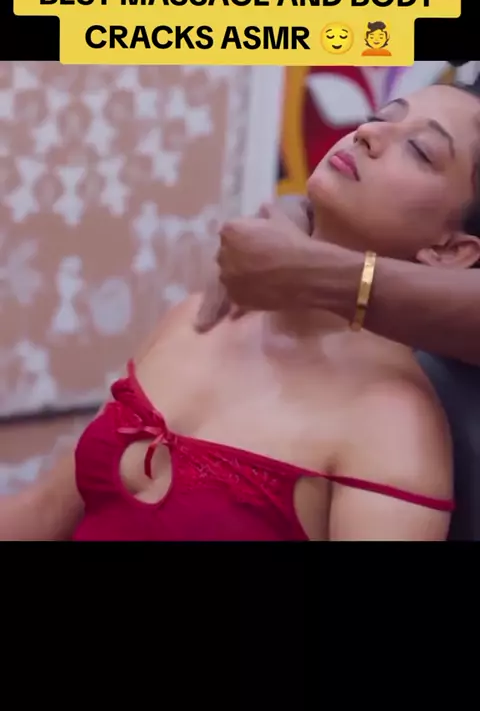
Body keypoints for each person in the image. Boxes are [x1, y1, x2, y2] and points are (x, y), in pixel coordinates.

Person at [2, 82, 480, 541]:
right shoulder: (202, 318)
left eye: (419, 150)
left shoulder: (395, 425)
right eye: (378, 117)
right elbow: (46, 510)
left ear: (451, 251)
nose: (368, 133)